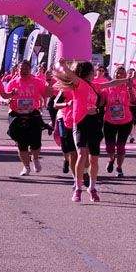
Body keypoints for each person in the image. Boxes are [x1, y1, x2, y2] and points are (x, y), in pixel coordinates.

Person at [53, 59, 104, 203]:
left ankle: (92, 188)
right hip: (78, 122)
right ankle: (78, 187)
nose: (95, 74)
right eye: (93, 72)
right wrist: (64, 66)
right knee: (80, 154)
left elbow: (110, 83)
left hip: (94, 123)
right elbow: (71, 76)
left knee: (93, 159)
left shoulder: (94, 85)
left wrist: (127, 80)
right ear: (88, 73)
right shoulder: (79, 84)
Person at [3, 60, 48, 176]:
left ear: (30, 70)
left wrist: (49, 91)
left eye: (26, 69)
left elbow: (45, 93)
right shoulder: (13, 82)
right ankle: (26, 167)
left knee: (36, 142)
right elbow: (5, 96)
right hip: (17, 114)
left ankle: (35, 158)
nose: (24, 71)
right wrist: (8, 99)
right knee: (21, 143)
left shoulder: (37, 82)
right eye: (21, 69)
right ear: (17, 70)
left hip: (33, 113)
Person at [100, 65, 136, 177]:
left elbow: (133, 101)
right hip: (109, 121)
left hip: (125, 122)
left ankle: (119, 167)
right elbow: (102, 103)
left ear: (125, 76)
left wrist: (130, 89)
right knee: (110, 147)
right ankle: (111, 159)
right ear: (114, 74)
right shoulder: (108, 87)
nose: (119, 75)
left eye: (122, 73)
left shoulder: (127, 87)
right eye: (117, 73)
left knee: (121, 146)